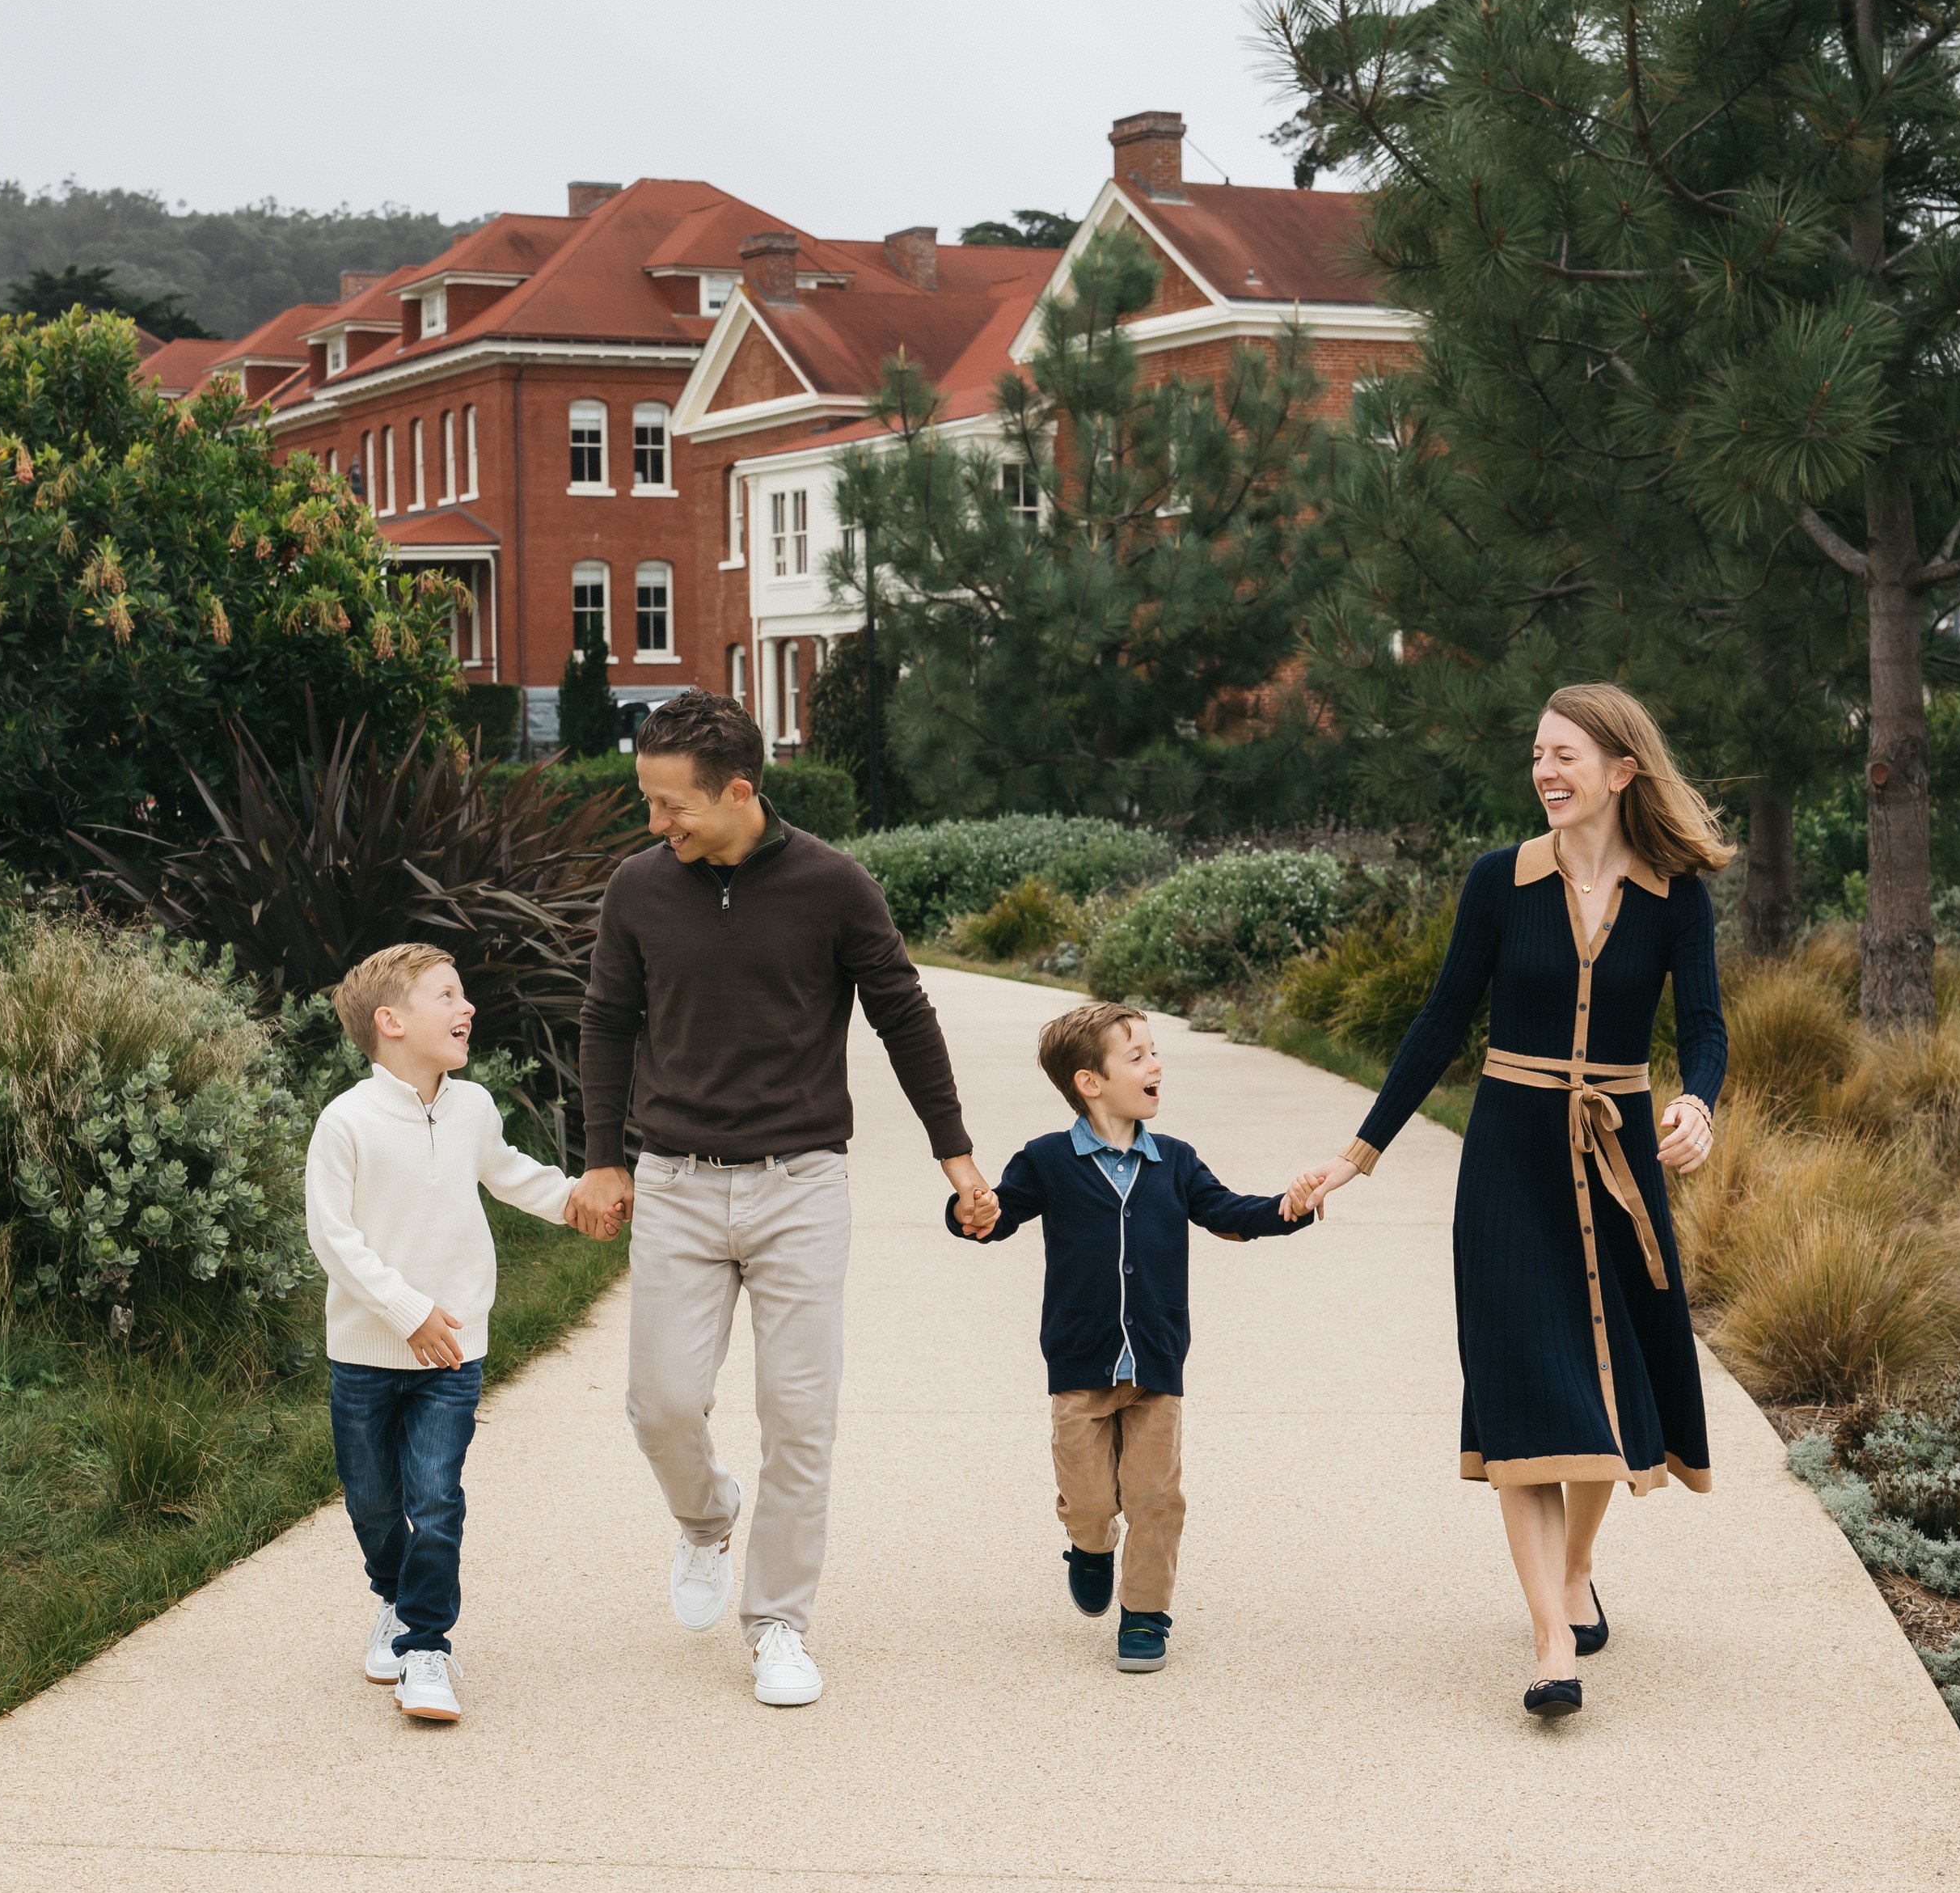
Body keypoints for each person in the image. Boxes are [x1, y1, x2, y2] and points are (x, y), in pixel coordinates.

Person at [1289, 684, 1729, 1720]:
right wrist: (1358, 1156)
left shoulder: (1674, 896)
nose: (1546, 771)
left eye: (1566, 755)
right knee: (1524, 1390)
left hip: (1616, 1157)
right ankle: (1548, 1643)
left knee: (1603, 1393)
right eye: (1537, 754)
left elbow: (1705, 1026)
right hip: (1506, 1165)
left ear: (1622, 770)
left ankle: (1577, 1569)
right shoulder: (1499, 882)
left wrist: (1699, 1103)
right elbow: (1439, 1023)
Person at [571, 691, 996, 1709]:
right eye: (647, 801)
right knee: (662, 1405)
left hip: (802, 1185)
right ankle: (707, 1518)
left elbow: (903, 1016)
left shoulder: (832, 886)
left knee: (799, 1419)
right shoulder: (639, 888)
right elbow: (606, 1022)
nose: (654, 824)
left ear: (739, 792)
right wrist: (602, 1157)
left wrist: (956, 1153)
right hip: (675, 1182)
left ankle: (778, 1627)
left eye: (672, 806)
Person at [948, 999, 1316, 1672]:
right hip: (1080, 1365)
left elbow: (1226, 1214)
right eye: (1139, 1055)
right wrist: (971, 1209)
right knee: (1089, 1498)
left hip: (1155, 1366)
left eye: (1155, 1052)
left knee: (1156, 1498)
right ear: (1090, 1082)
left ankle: (1145, 1614)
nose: (1157, 1066)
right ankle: (1090, 1546)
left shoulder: (1174, 1161)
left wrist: (1286, 1209)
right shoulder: (1047, 1160)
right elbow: (996, 1218)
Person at [304, 942, 580, 1725]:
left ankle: (427, 1646)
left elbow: (511, 1173)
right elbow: (335, 1239)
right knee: (372, 1504)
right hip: (365, 1351)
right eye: (448, 996)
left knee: (436, 1497)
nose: (468, 1009)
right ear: (390, 1022)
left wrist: (576, 1204)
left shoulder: (473, 1108)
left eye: (464, 997)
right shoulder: (345, 1122)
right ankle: (393, 1597)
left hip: (454, 1348)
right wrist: (406, 1312)